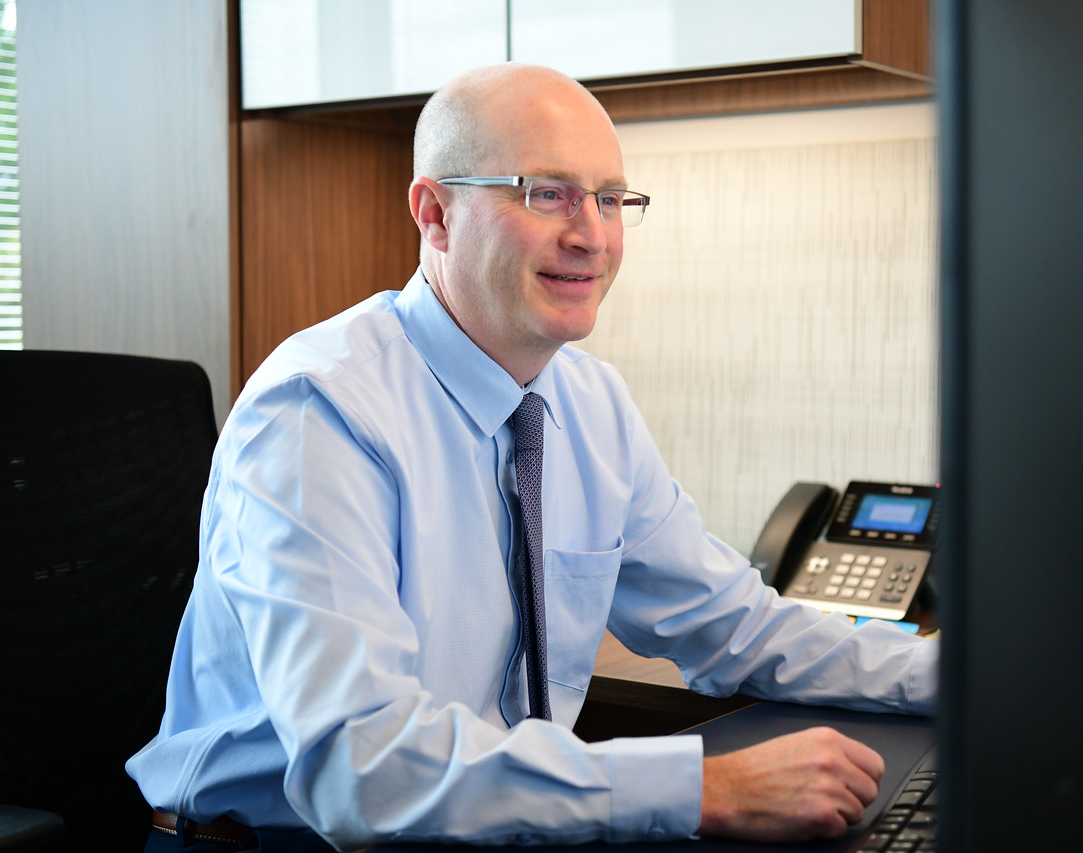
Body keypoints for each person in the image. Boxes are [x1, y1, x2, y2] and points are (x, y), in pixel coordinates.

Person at [128, 62, 936, 852]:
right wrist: (701, 785)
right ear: (435, 213)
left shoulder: (590, 403)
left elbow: (738, 625)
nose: (590, 234)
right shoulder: (321, 412)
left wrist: (965, 674)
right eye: (546, 193)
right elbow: (361, 767)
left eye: (612, 199)